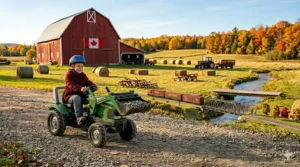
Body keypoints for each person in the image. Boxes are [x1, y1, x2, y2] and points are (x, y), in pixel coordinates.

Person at [63, 55, 97, 125]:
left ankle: (90, 116)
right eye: (78, 66)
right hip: (70, 96)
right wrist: (80, 88)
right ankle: (79, 117)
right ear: (73, 66)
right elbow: (70, 85)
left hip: (81, 94)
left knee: (91, 99)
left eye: (82, 66)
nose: (80, 68)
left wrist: (93, 86)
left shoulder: (83, 75)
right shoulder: (69, 74)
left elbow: (88, 82)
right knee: (77, 98)